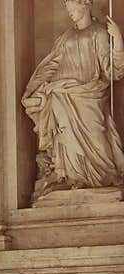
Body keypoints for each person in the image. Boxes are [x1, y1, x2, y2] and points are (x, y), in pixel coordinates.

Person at [23, 0, 124, 201]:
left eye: (72, 6)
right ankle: (70, 176)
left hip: (90, 96)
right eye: (67, 7)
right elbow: (50, 65)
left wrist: (118, 42)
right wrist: (33, 88)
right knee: (65, 136)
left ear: (85, 5)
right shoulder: (65, 37)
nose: (69, 11)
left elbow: (112, 71)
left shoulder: (100, 33)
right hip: (62, 95)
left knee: (97, 139)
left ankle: (102, 178)